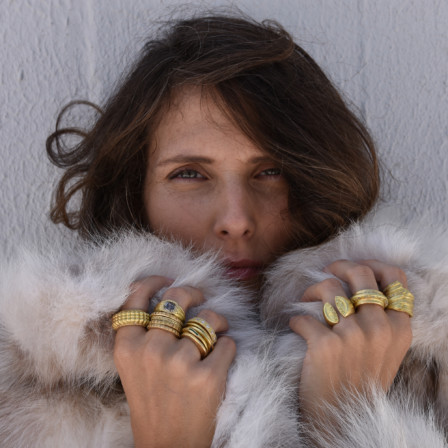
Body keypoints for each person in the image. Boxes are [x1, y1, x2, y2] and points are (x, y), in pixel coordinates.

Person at [0, 13, 447, 448]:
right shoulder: (32, 384)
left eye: (270, 171)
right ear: (133, 195)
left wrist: (345, 418)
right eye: (189, 174)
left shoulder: (433, 364)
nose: (236, 219)